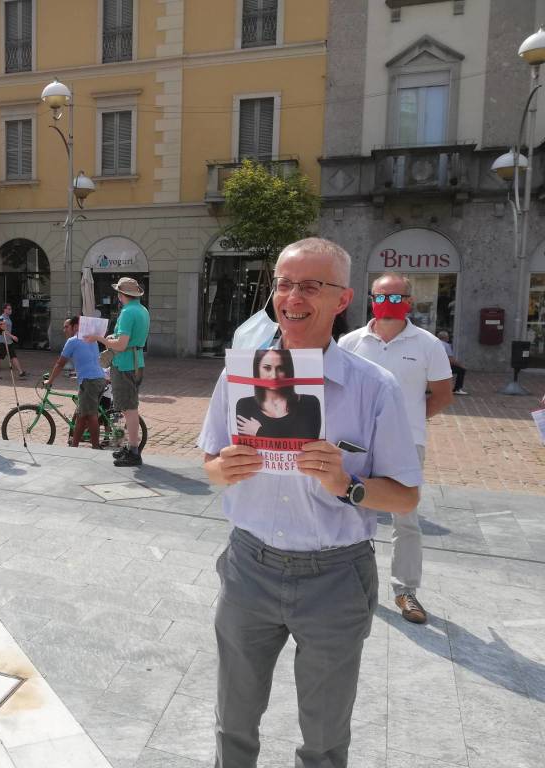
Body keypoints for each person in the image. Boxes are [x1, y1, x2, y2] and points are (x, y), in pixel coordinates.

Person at [200, 238, 422, 768]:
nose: (291, 296)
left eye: (309, 285)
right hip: (248, 567)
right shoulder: (239, 374)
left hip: (336, 577)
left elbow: (407, 495)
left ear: (342, 299)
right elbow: (208, 462)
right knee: (233, 722)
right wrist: (221, 467)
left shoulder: (374, 387)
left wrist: (349, 484)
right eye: (282, 283)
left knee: (323, 736)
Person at [338, 272, 453, 625]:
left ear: (408, 301)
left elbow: (443, 394)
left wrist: (407, 425)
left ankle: (405, 589)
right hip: (358, 444)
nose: (388, 303)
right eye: (381, 296)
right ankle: (348, 582)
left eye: (395, 297)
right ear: (371, 298)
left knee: (406, 519)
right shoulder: (350, 342)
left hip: (406, 445)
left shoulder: (428, 344)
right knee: (348, 509)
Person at [89, 276, 150, 467]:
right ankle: (131, 447)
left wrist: (100, 338)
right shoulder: (142, 310)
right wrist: (113, 337)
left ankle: (133, 450)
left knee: (129, 409)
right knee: (129, 407)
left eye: (118, 292)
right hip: (136, 361)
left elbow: (122, 345)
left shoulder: (127, 312)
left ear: (122, 294)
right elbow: (131, 340)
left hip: (124, 364)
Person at [45, 316, 107, 449]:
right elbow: (88, 359)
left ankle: (95, 447)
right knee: (82, 415)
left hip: (90, 381)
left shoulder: (73, 341)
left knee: (91, 415)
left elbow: (60, 363)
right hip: (99, 379)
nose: (64, 330)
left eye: (67, 326)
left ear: (75, 327)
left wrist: (50, 380)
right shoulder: (93, 339)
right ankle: (74, 446)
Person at [235, 348, 322, 439]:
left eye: (280, 368)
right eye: (267, 368)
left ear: (288, 370)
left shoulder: (310, 403)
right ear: (257, 370)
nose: (274, 376)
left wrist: (260, 432)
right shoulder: (245, 405)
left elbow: (310, 441)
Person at [0, 303, 27, 379]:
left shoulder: (8, 318)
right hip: (2, 341)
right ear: (4, 310)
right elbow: (2, 330)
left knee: (13, 356)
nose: (10, 310)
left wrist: (11, 338)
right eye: (9, 309)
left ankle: (21, 372)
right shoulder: (1, 318)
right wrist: (12, 336)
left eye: (11, 309)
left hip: (9, 341)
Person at [437, 330, 468, 395]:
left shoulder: (433, 343)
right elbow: (451, 360)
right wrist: (461, 365)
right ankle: (457, 389)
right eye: (448, 337)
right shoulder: (446, 345)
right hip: (441, 367)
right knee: (461, 370)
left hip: (431, 366)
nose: (449, 338)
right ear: (445, 338)